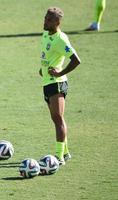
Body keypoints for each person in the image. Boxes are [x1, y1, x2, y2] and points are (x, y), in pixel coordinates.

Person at [39, 7, 81, 165]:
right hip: (47, 82)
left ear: (57, 22)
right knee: (55, 119)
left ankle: (59, 157)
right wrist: (42, 69)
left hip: (57, 83)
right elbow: (47, 56)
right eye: (45, 18)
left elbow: (76, 60)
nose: (45, 21)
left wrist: (60, 72)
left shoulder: (61, 39)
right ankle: (66, 152)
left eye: (49, 20)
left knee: (58, 119)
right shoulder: (45, 34)